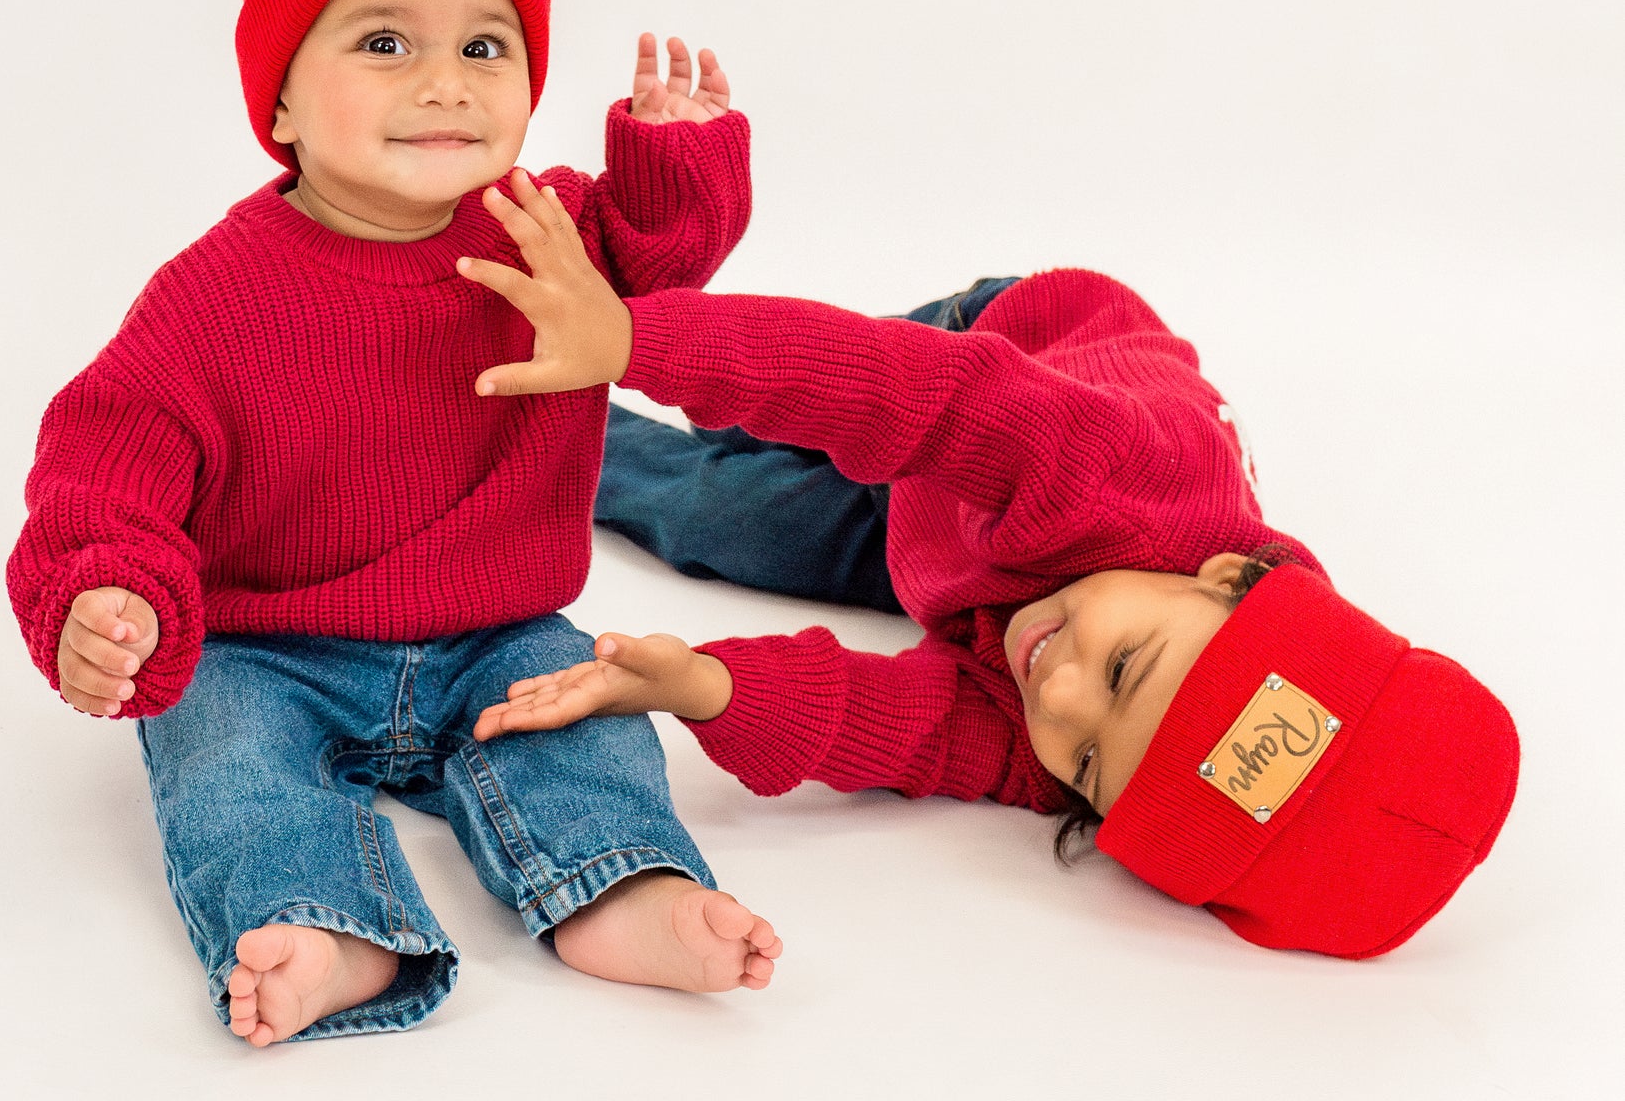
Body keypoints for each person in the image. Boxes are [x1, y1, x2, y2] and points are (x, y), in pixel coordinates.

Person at [6, 0, 781, 1045]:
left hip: (495, 631)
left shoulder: (546, 233)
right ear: (278, 108)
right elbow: (106, 464)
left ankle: (623, 886)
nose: (443, 83)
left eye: (485, 49)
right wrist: (105, 594)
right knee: (225, 758)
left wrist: (672, 160)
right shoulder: (212, 298)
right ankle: (323, 928)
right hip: (269, 647)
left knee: (584, 710)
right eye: (382, 44)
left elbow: (655, 270)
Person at [462, 188, 1520, 959]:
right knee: (801, 415)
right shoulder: (1112, 471)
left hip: (957, 566)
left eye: (1092, 767)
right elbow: (905, 396)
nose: (1054, 694)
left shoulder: (1058, 726)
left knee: (720, 516)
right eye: (1122, 670)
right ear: (1225, 574)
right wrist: (638, 341)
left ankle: (471, 425)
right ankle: (572, 335)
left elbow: (910, 729)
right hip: (999, 360)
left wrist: (702, 686)